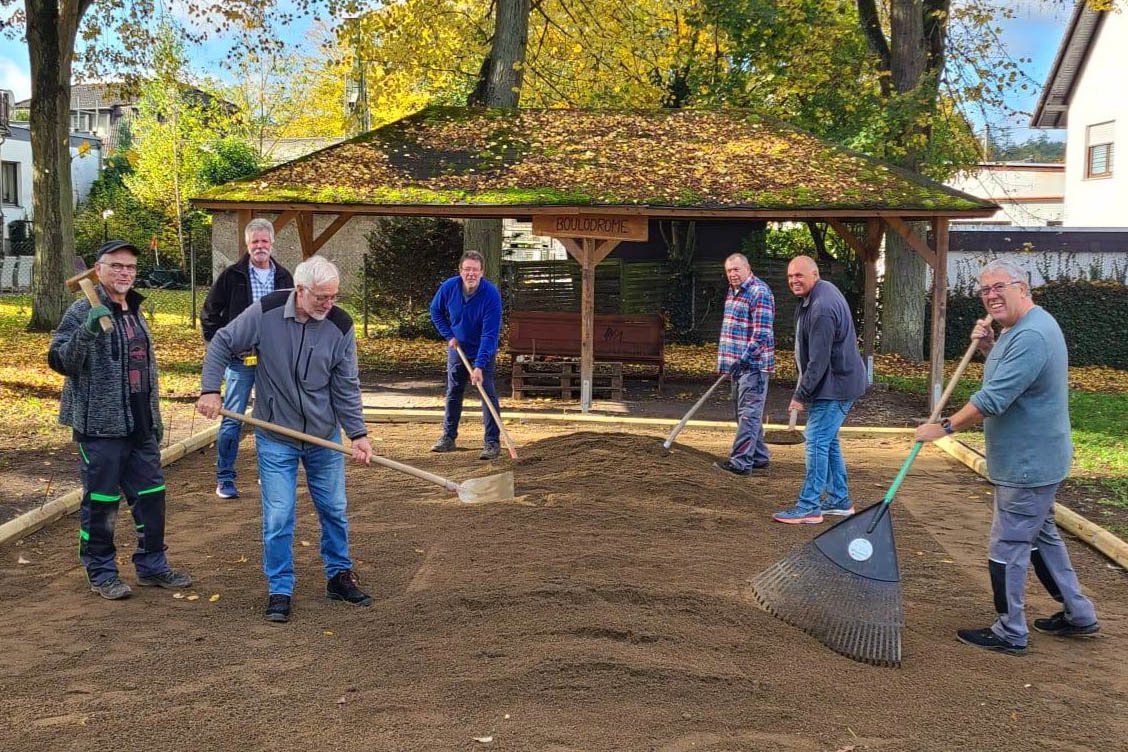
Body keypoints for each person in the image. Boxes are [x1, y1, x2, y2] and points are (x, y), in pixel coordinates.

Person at [915, 259, 1098, 655]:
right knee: (1042, 537)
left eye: (1000, 287)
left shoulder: (1032, 334)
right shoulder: (1021, 330)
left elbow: (993, 400)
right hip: (1032, 459)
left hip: (1028, 464)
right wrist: (988, 348)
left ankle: (1010, 630)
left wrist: (943, 428)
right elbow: (1010, 379)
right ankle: (1079, 614)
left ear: (1023, 288)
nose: (992, 296)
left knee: (1008, 545)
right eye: (985, 291)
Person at [196, 256, 374, 624]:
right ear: (300, 290)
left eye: (334, 296)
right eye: (321, 297)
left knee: (335, 510)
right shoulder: (267, 311)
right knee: (279, 515)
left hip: (324, 438)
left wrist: (357, 433)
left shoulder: (340, 326)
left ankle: (338, 576)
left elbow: (346, 385)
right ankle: (280, 587)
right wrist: (211, 389)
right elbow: (222, 342)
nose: (329, 304)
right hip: (277, 434)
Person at [48, 240, 192, 600]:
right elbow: (60, 362)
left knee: (152, 498)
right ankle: (101, 571)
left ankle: (153, 566)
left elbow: (147, 369)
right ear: (99, 270)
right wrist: (88, 331)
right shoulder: (82, 310)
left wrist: (155, 418)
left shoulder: (136, 311)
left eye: (129, 267)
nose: (125, 273)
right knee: (101, 503)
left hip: (140, 425)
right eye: (116, 266)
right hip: (100, 428)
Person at [200, 218, 294, 499]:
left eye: (264, 241)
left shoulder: (284, 278)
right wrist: (219, 346)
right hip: (241, 360)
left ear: (272, 243)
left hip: (272, 362)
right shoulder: (232, 277)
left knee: (273, 418)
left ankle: (270, 474)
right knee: (232, 419)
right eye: (255, 242)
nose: (260, 247)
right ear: (247, 244)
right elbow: (209, 314)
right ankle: (225, 478)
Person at [773, 255, 867, 524]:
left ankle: (809, 507)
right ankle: (839, 499)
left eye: (799, 275)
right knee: (828, 440)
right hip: (837, 382)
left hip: (836, 385)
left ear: (814, 274)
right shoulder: (820, 293)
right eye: (790, 276)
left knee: (815, 439)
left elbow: (819, 359)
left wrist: (800, 395)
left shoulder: (821, 307)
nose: (794, 281)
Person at [428, 250, 504, 460]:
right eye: (467, 269)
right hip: (457, 348)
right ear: (460, 271)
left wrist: (479, 365)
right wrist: (449, 335)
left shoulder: (490, 295)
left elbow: (490, 334)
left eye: (475, 270)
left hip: (482, 349)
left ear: (482, 272)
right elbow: (435, 311)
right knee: (454, 391)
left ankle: (492, 442)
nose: (471, 274)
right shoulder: (449, 287)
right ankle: (448, 437)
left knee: (486, 392)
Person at [714, 253, 776, 476]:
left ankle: (740, 463)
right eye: (729, 271)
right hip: (737, 367)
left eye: (737, 269)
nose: (733, 274)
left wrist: (744, 359)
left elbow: (761, 334)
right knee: (745, 414)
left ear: (748, 268)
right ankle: (759, 456)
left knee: (748, 413)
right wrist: (727, 362)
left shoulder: (759, 292)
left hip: (754, 367)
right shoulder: (733, 292)